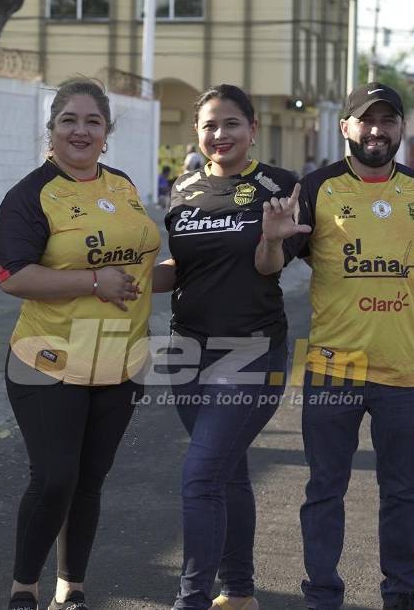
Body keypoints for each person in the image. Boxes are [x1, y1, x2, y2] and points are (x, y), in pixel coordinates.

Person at [255, 82, 414, 610]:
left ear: (401, 128)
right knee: (324, 490)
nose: (377, 130)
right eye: (366, 120)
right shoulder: (317, 188)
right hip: (333, 369)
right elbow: (268, 269)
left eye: (388, 120)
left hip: (403, 371)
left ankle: (402, 595)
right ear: (346, 127)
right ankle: (322, 596)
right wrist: (270, 239)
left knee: (402, 492)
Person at [0, 77, 161, 610]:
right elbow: (12, 275)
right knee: (55, 477)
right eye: (69, 120)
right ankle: (24, 587)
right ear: (52, 129)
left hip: (120, 359)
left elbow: (140, 267)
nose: (81, 131)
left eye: (93, 121)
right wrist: (93, 283)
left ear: (107, 131)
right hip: (48, 360)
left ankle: (72, 587)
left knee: (89, 480)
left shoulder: (123, 186)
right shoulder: (30, 195)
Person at [152, 84, 297, 610]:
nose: (220, 134)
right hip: (187, 351)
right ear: (197, 132)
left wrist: (273, 238)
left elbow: (267, 267)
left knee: (201, 476)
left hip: (252, 351)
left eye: (231, 123)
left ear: (252, 129)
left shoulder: (279, 186)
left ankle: (190, 599)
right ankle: (239, 592)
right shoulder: (184, 188)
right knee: (226, 471)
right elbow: (183, 267)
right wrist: (118, 276)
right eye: (209, 125)